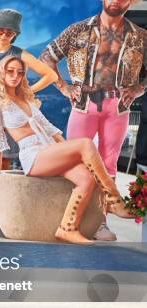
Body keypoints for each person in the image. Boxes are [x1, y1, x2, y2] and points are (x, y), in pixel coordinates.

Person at [0, 56, 133, 245]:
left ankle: (67, 228)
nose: (15, 76)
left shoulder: (25, 98)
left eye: (20, 72)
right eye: (10, 71)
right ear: (1, 72)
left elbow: (50, 129)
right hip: (32, 155)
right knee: (86, 143)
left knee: (86, 179)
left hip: (49, 150)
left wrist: (67, 150)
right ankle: (113, 200)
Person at [39, 0, 147, 241]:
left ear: (130, 2)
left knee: (108, 165)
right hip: (83, 103)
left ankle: (100, 223)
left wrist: (139, 89)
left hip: (117, 106)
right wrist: (63, 87)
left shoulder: (140, 36)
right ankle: (66, 220)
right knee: (75, 161)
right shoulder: (78, 29)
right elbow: (47, 56)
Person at [0, 9, 58, 232]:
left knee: (3, 163)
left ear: (15, 34)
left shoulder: (19, 53)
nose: (4, 34)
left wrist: (25, 93)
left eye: (9, 31)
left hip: (9, 110)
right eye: (0, 29)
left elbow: (51, 76)